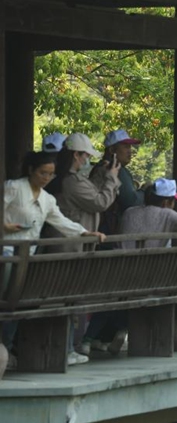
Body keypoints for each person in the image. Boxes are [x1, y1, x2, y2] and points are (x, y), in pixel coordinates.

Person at [2, 151, 106, 365]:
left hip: (27, 259)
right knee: (7, 300)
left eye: (50, 174)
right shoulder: (13, 187)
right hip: (6, 255)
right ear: (31, 170)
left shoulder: (47, 199)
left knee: (18, 303)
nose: (46, 178)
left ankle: (8, 346)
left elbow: (61, 221)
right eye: (42, 173)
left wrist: (84, 232)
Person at [44, 132, 121, 252]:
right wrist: (112, 178)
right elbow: (100, 202)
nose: (87, 160)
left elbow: (90, 192)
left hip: (68, 246)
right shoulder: (72, 181)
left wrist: (102, 174)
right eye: (87, 156)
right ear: (76, 155)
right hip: (69, 249)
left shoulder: (67, 178)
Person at [91, 129, 144, 237]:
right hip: (108, 233)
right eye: (125, 146)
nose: (130, 151)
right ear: (111, 150)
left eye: (130, 147)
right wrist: (144, 191)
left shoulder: (99, 167)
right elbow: (130, 200)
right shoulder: (115, 169)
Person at [119, 178, 177, 248]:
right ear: (166, 202)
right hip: (149, 261)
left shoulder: (129, 212)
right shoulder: (167, 214)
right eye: (174, 201)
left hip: (121, 261)